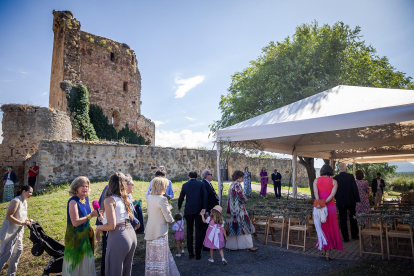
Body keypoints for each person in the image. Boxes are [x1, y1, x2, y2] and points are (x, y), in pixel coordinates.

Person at [95, 172, 137, 276]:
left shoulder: (109, 200)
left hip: (119, 236)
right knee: (126, 272)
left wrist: (98, 228)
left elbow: (111, 226)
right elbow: (118, 218)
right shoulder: (124, 198)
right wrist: (103, 219)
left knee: (114, 271)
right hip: (130, 234)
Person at [62, 176, 98, 276]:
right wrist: (91, 215)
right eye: (82, 186)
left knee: (86, 263)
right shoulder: (73, 201)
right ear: (76, 187)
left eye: (86, 186)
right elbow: (75, 222)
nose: (85, 188)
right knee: (75, 265)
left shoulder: (86, 199)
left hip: (85, 236)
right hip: (74, 238)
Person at [145, 177, 180, 275]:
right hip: (160, 231)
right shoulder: (162, 199)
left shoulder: (149, 198)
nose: (166, 188)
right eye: (165, 186)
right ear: (161, 187)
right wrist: (170, 211)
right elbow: (168, 218)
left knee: (152, 258)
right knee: (161, 258)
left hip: (150, 231)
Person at [0, 185, 33, 275]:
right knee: (6, 255)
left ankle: (11, 274)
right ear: (23, 191)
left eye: (31, 192)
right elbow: (9, 216)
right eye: (29, 192)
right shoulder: (16, 201)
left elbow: (23, 216)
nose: (31, 194)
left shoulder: (25, 202)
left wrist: (28, 220)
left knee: (18, 251)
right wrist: (22, 223)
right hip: (9, 232)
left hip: (18, 232)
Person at [313, 165, 343, 260]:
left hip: (319, 206)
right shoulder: (334, 181)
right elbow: (332, 195)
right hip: (330, 207)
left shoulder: (315, 180)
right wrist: (324, 202)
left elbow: (316, 194)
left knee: (322, 227)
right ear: (331, 171)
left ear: (321, 171)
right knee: (331, 228)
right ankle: (327, 254)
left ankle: (323, 249)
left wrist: (319, 202)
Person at [178, 171, 207, 260]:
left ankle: (190, 252)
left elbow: (181, 197)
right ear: (196, 177)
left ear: (189, 177)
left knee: (189, 231)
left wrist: (179, 206)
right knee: (199, 231)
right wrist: (204, 207)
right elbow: (205, 195)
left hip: (189, 210)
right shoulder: (201, 184)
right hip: (199, 210)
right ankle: (198, 253)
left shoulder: (185, 185)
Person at [226, 170, 257, 251]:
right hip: (238, 209)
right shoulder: (237, 184)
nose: (243, 178)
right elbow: (240, 196)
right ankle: (248, 246)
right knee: (245, 226)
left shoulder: (232, 184)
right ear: (239, 177)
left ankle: (232, 246)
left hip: (232, 210)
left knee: (234, 227)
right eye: (242, 177)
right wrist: (245, 200)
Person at [333, 163, 360, 242]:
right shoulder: (350, 176)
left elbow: (334, 191)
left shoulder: (335, 178)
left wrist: (337, 198)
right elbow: (354, 189)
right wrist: (357, 200)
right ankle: (354, 235)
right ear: (346, 168)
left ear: (339, 169)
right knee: (353, 218)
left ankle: (345, 238)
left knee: (342, 219)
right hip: (351, 200)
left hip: (341, 201)